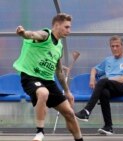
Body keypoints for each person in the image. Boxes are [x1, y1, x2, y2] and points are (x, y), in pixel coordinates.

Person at [13, 13, 83, 141]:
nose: (69, 31)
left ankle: (79, 139)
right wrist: (23, 33)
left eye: (70, 27)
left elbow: (59, 72)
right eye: (66, 27)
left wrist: (67, 91)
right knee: (43, 93)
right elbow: (33, 35)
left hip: (49, 81)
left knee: (69, 114)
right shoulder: (46, 35)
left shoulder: (59, 47)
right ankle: (40, 132)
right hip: (30, 77)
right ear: (56, 25)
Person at [75, 35, 123, 135]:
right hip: (111, 87)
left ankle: (86, 111)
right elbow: (94, 69)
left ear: (122, 46)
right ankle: (108, 127)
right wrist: (92, 78)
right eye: (112, 46)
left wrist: (107, 79)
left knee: (103, 81)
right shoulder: (108, 60)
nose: (114, 48)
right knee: (104, 93)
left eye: (117, 46)